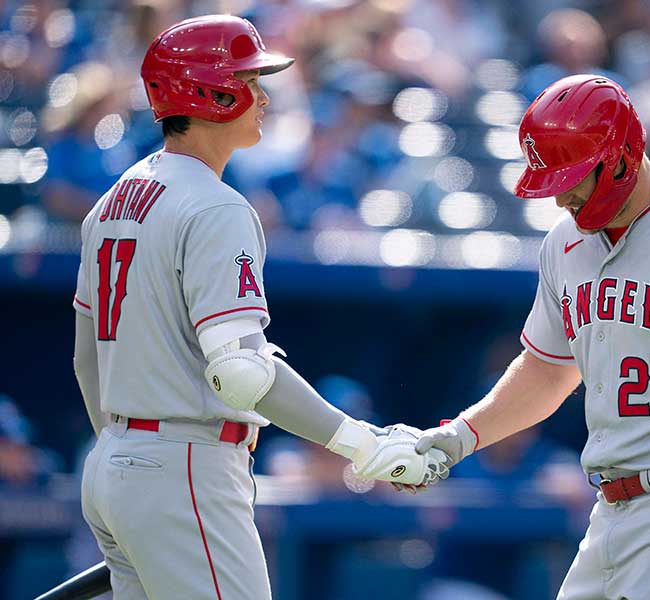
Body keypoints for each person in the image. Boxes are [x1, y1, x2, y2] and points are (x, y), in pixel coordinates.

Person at [72, 15, 447, 599]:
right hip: (183, 468)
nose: (265, 97)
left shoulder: (112, 200)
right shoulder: (216, 206)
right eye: (248, 81)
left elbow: (85, 359)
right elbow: (239, 371)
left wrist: (124, 454)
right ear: (209, 94)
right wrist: (362, 445)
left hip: (113, 464)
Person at [412, 75, 650, 600]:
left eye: (571, 177)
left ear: (620, 156)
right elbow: (547, 370)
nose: (560, 196)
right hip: (609, 509)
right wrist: (460, 436)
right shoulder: (564, 244)